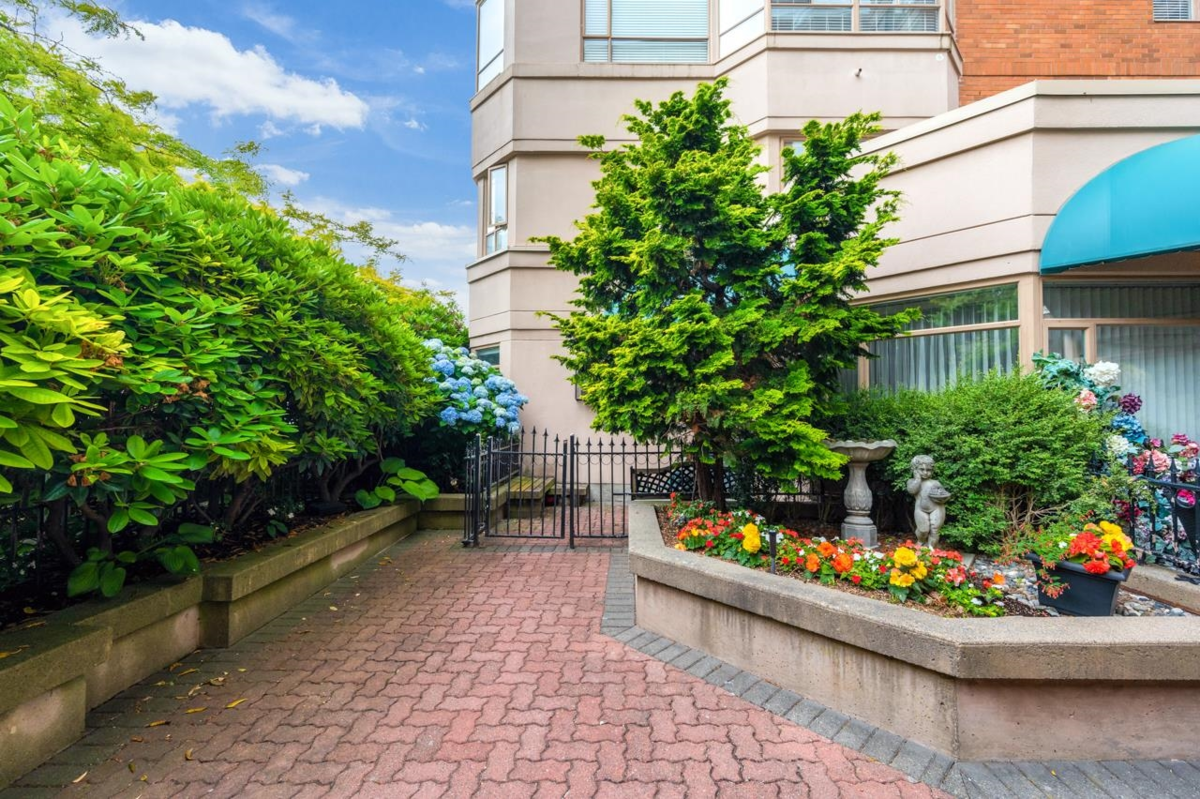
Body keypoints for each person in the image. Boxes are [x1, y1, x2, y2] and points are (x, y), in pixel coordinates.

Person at [907, 455, 950, 549]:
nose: (925, 472)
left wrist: (944, 498)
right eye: (921, 469)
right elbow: (912, 490)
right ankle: (921, 541)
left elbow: (942, 493)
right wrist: (917, 479)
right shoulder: (912, 482)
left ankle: (931, 548)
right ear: (915, 469)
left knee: (934, 530)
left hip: (937, 508)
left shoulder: (935, 482)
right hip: (920, 509)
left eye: (928, 470)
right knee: (923, 530)